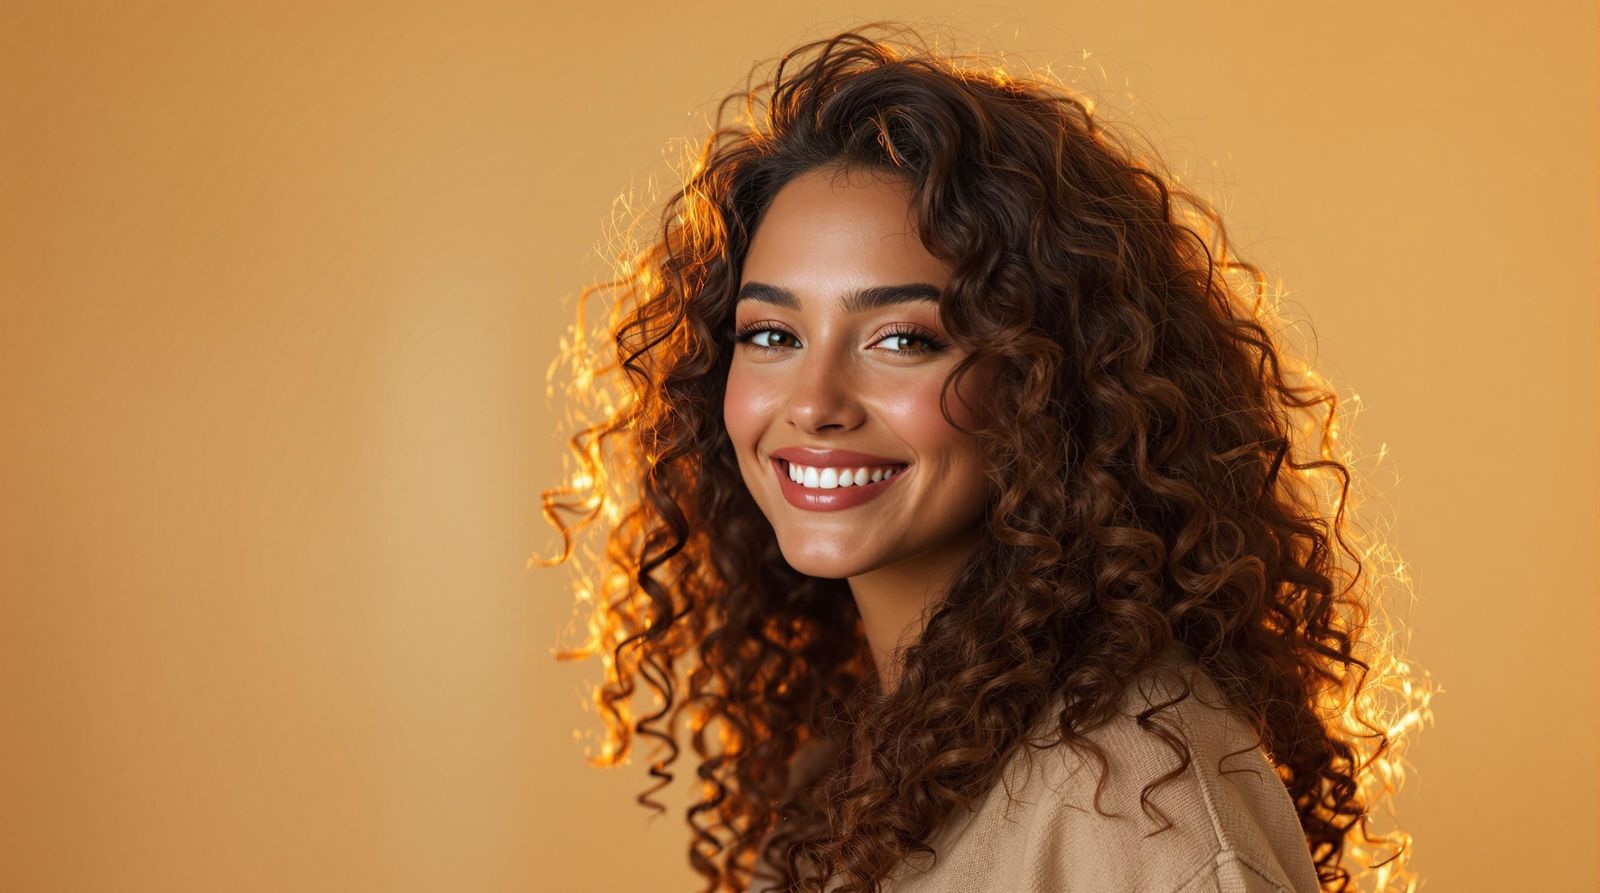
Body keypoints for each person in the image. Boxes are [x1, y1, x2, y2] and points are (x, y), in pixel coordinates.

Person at [533, 22, 1431, 893]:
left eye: (902, 339)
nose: (813, 403)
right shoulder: (842, 771)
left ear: (1046, 378)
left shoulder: (1138, 800)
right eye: (772, 332)